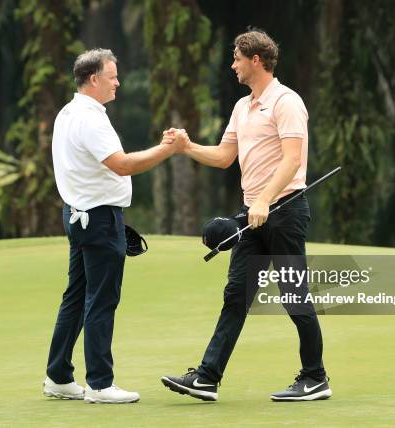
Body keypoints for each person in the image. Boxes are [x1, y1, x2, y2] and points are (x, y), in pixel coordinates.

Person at [160, 30, 332, 402]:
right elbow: (224, 157)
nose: (232, 64)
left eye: (237, 58)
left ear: (256, 60)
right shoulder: (243, 107)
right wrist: (186, 147)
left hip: (285, 212)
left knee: (293, 294)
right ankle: (207, 377)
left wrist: (265, 200)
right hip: (253, 215)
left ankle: (316, 377)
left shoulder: (287, 102)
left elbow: (292, 159)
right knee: (236, 295)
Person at [43, 48, 186, 404]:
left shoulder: (68, 111)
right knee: (101, 300)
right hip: (99, 219)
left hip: (77, 214)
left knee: (76, 297)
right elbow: (121, 165)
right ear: (94, 79)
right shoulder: (91, 118)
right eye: (112, 76)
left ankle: (59, 376)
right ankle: (100, 384)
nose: (117, 82)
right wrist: (167, 149)